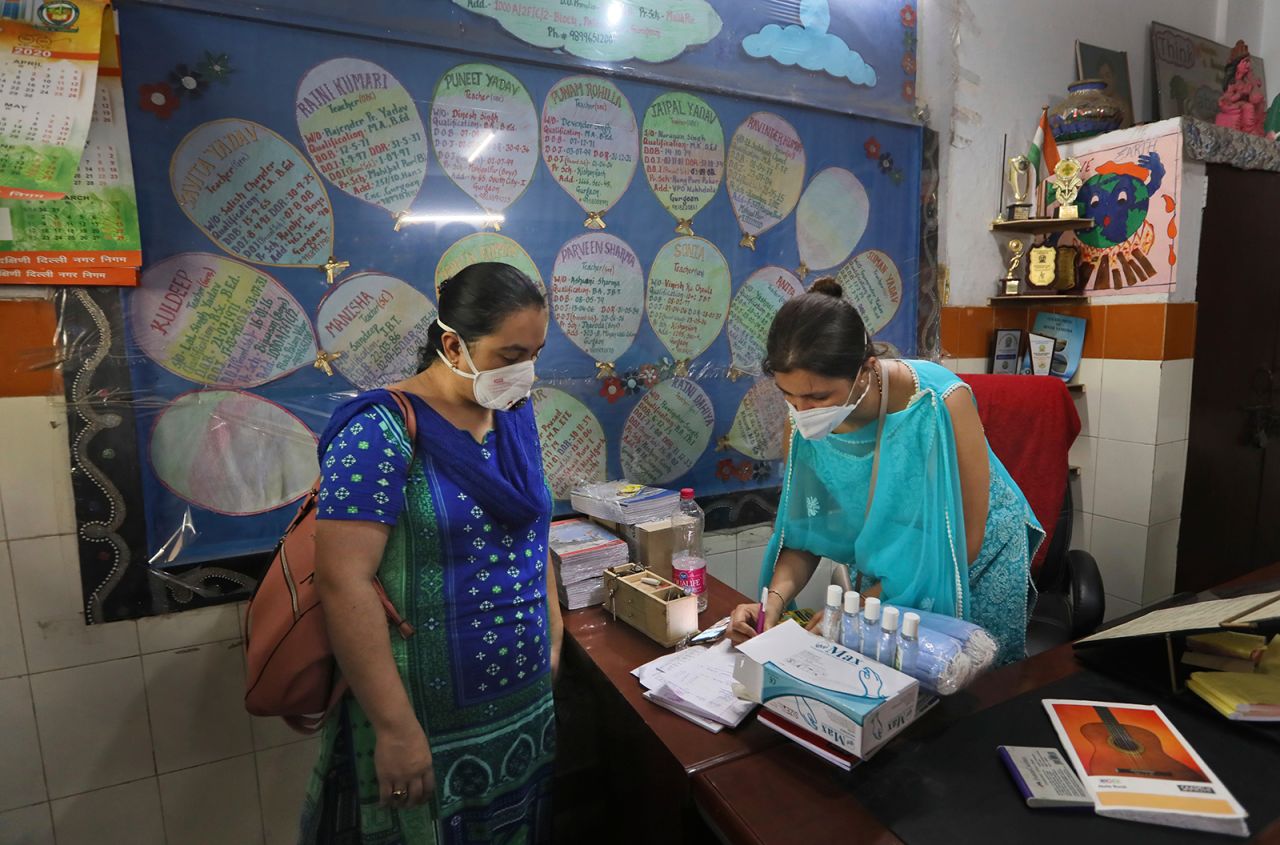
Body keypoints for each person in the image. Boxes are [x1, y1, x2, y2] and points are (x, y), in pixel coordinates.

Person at [299, 262, 559, 844]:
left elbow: (534, 536)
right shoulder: (378, 431)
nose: (525, 372)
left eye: (535, 354)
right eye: (509, 354)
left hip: (521, 709)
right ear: (453, 344)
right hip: (422, 720)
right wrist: (395, 729)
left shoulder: (514, 419)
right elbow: (344, 582)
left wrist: (555, 637)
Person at [729, 278, 1043, 664]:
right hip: (888, 564)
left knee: (966, 681)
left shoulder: (937, 402)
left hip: (970, 560)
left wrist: (862, 604)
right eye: (788, 395)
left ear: (866, 369)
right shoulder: (803, 422)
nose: (802, 411)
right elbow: (807, 533)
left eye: (818, 396)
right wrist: (770, 603)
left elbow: (966, 540)